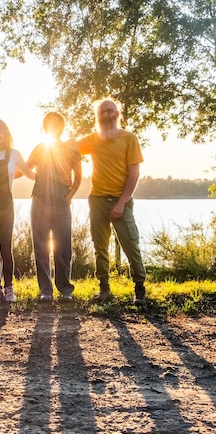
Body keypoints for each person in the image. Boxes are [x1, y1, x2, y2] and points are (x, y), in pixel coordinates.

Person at [76, 97, 147, 306]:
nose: (107, 114)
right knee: (100, 246)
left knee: (130, 244)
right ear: (98, 116)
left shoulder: (129, 138)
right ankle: (104, 288)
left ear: (118, 114)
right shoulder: (93, 139)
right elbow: (66, 149)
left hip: (121, 200)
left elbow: (135, 174)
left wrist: (121, 203)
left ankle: (139, 288)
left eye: (111, 111)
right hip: (97, 199)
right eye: (103, 112)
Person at [0, 119, 36, 303]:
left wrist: (53, 175)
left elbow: (31, 174)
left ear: (5, 133)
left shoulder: (14, 154)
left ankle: (9, 288)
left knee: (6, 247)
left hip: (5, 205)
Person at [27, 111, 82, 301]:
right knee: (41, 247)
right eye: (49, 123)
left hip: (61, 201)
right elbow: (26, 168)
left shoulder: (71, 149)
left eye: (56, 123)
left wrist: (69, 196)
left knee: (63, 246)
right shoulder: (40, 148)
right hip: (40, 200)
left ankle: (65, 289)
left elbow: (79, 176)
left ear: (62, 127)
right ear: (45, 127)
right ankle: (46, 290)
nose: (52, 126)